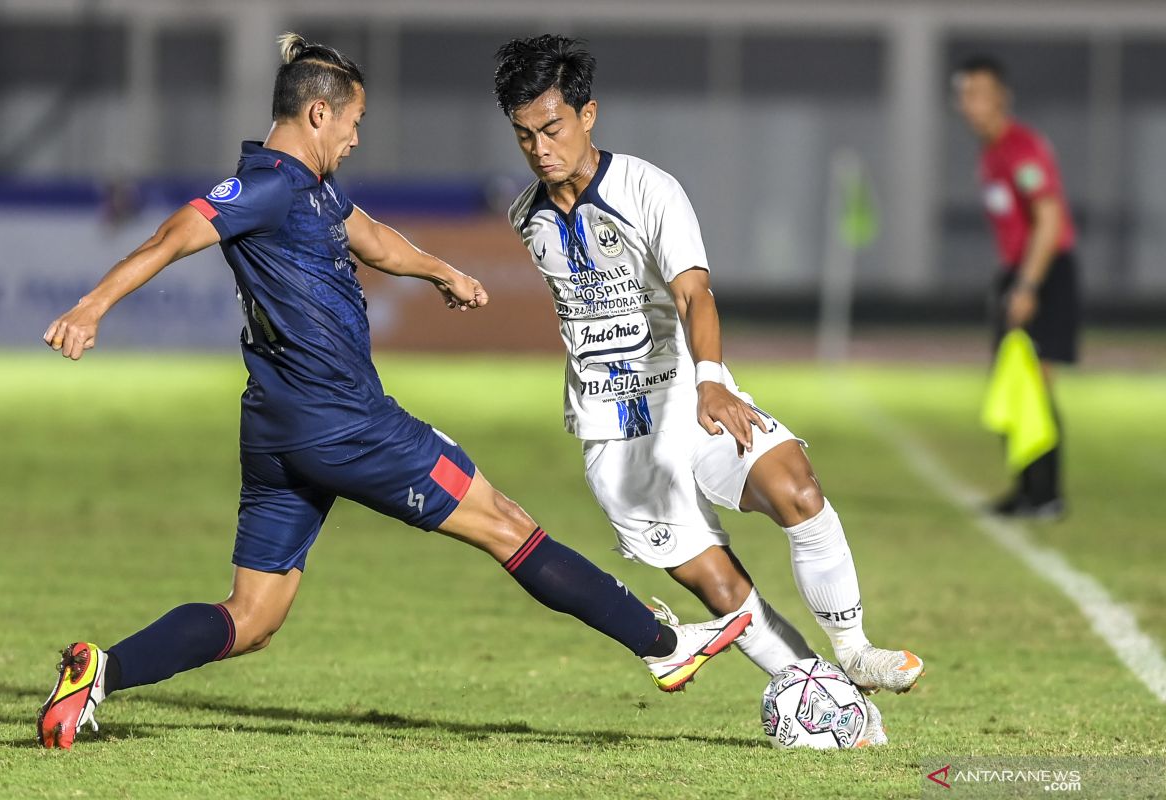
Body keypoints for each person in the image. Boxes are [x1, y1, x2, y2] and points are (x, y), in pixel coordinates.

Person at [36, 33, 752, 751]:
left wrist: (441, 272)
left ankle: (102, 670)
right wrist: (91, 307)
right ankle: (662, 644)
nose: (354, 139)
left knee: (252, 616)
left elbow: (373, 238)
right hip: (347, 422)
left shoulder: (310, 189)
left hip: (277, 430)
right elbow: (172, 235)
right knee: (505, 522)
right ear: (318, 115)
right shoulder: (268, 186)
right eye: (353, 123)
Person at [492, 33, 923, 743]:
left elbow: (695, 293)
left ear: (588, 114)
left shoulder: (649, 190)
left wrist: (713, 381)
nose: (540, 148)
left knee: (796, 487)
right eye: (523, 135)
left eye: (552, 127)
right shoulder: (527, 218)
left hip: (691, 403)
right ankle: (840, 709)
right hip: (616, 446)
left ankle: (855, 652)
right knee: (729, 596)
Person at [954, 56, 1079, 519]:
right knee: (1012, 382)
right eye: (964, 94)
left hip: (1045, 272)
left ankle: (1046, 494)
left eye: (978, 93)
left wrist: (1027, 284)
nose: (970, 104)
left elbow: (1049, 220)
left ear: (1001, 98)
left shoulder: (1021, 147)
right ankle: (1027, 489)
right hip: (1017, 272)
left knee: (1037, 384)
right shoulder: (990, 153)